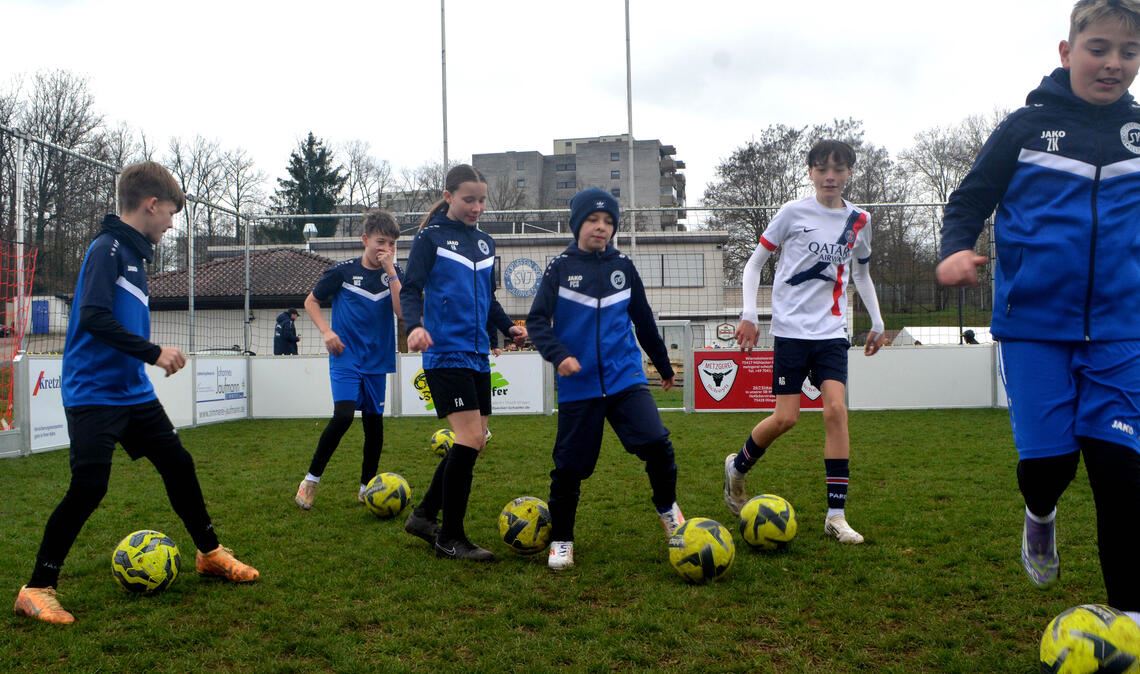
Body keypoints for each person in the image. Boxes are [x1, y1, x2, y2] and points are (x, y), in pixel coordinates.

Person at [937, 0, 1140, 622]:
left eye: (1128, 53)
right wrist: (955, 250)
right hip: (1033, 328)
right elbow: (969, 200)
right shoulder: (1025, 129)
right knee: (1049, 468)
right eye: (1098, 48)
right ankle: (1040, 516)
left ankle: (1129, 622)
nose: (1112, 64)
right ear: (1066, 51)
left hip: (1123, 331)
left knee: (1121, 473)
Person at [14, 161, 258, 625]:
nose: (170, 222)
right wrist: (153, 351)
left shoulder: (132, 254)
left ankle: (209, 553)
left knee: (178, 464)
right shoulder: (106, 249)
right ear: (151, 204)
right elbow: (92, 317)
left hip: (132, 393)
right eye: (170, 212)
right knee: (89, 486)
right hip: (93, 393)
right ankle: (37, 587)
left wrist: (144, 361)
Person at [727, 140, 886, 545]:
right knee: (787, 419)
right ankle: (738, 467)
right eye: (821, 168)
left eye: (838, 168)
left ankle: (836, 515)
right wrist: (749, 314)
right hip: (791, 332)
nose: (829, 176)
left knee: (836, 411)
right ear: (811, 172)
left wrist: (877, 321)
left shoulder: (859, 220)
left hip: (832, 332)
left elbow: (862, 275)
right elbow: (754, 263)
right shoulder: (792, 213)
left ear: (850, 171)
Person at [527, 188, 685, 570]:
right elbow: (536, 322)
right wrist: (559, 355)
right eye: (594, 221)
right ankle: (562, 539)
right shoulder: (559, 268)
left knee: (657, 444)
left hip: (624, 377)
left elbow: (644, 320)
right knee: (569, 468)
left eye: (609, 222)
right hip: (579, 384)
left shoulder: (624, 267)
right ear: (578, 224)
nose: (602, 228)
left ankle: (667, 510)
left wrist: (663, 366)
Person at [399, 164, 526, 561]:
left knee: (476, 441)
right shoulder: (430, 239)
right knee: (469, 439)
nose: (477, 207)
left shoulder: (486, 243)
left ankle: (422, 517)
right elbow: (411, 289)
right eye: (469, 199)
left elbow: (489, 301)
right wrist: (414, 326)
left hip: (477, 356)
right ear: (449, 195)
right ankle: (449, 536)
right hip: (444, 353)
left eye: (482, 200)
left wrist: (509, 328)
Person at [294, 210, 403, 510]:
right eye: (381, 241)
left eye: (392, 243)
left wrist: (392, 271)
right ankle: (310, 481)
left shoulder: (394, 274)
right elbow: (311, 301)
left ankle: (366, 487)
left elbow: (402, 312)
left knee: (374, 424)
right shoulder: (342, 272)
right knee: (342, 416)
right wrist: (327, 331)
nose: (387, 249)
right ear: (365, 239)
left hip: (377, 359)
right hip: (345, 355)